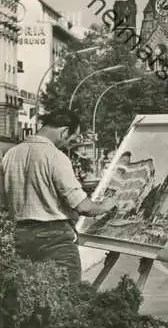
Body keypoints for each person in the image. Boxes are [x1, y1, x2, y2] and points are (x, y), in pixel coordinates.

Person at [0, 110, 117, 284]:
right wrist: (105, 206)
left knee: (30, 298)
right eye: (72, 137)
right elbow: (82, 206)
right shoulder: (56, 157)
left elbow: (3, 203)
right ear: (64, 131)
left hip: (20, 238)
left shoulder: (10, 155)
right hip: (55, 241)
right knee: (65, 297)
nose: (71, 144)